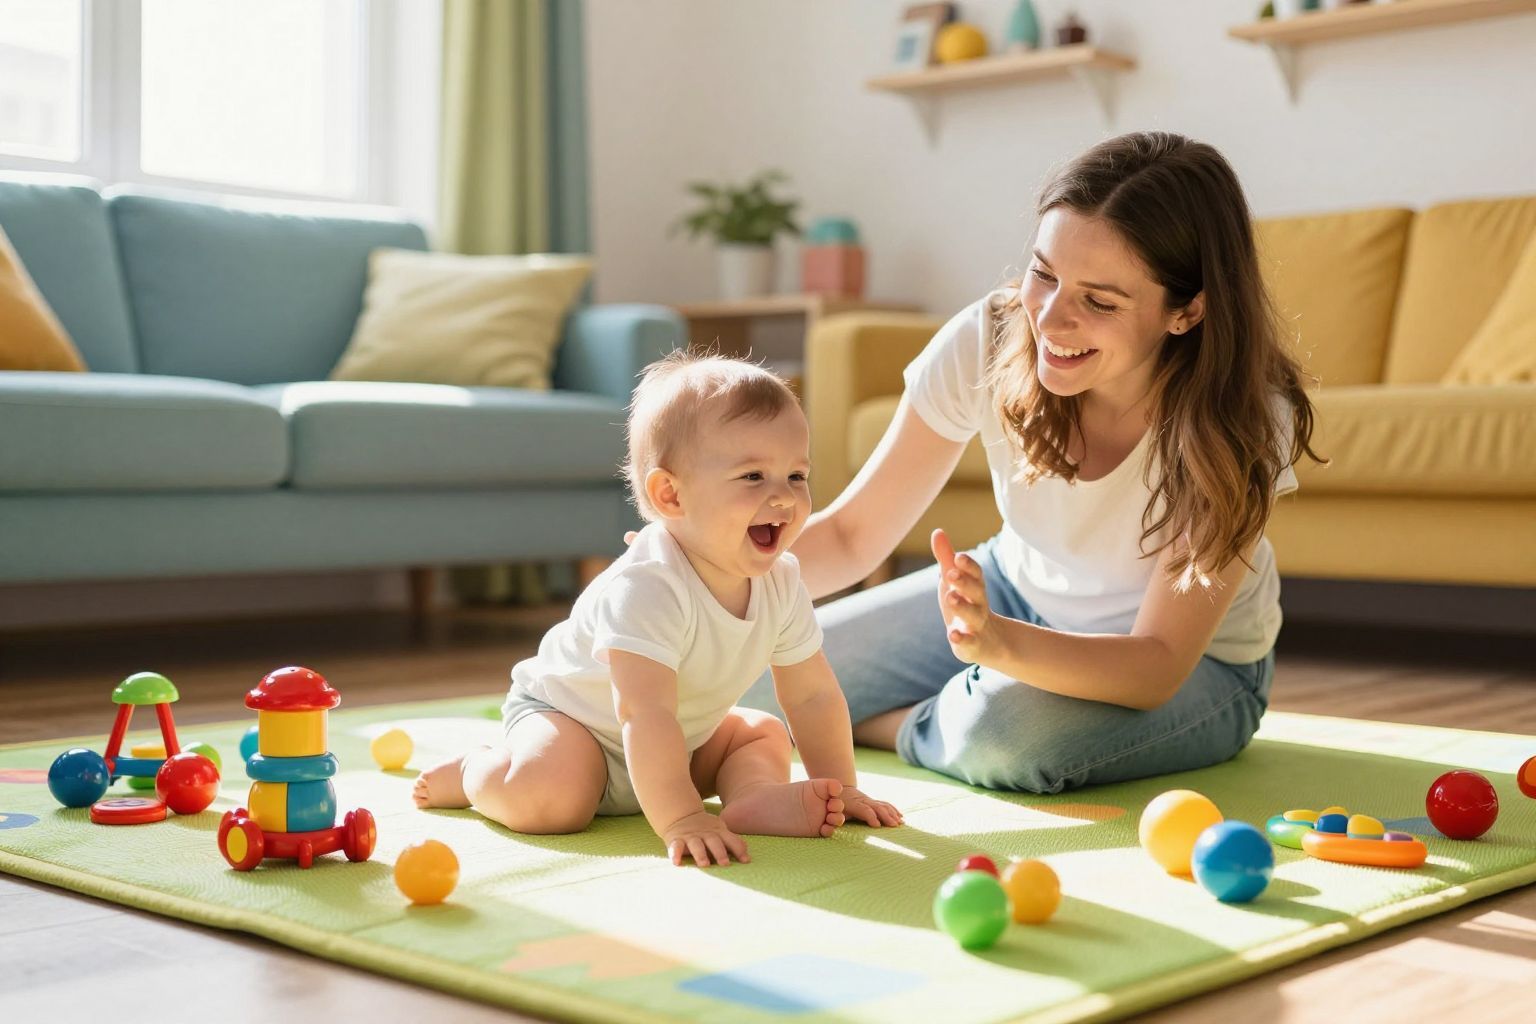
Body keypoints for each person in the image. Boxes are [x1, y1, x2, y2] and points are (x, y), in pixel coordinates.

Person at [741, 130, 1323, 794]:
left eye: (1099, 302)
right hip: (1015, 592)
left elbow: (1156, 664)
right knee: (751, 673)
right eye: (1045, 274)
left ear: (1186, 312)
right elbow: (851, 535)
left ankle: (901, 724)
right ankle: (950, 706)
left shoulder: (1241, 420)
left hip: (1199, 669)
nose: (1049, 317)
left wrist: (1000, 647)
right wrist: (705, 580)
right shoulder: (989, 338)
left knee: (1005, 740)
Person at [414, 351, 902, 867]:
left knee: (761, 733)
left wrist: (844, 788)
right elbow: (643, 713)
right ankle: (476, 771)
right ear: (670, 495)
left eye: (797, 476)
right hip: (578, 727)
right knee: (550, 800)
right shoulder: (647, 585)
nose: (783, 498)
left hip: (680, 742)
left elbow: (812, 696)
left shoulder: (781, 581)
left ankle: (752, 797)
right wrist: (682, 819)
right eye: (753, 477)